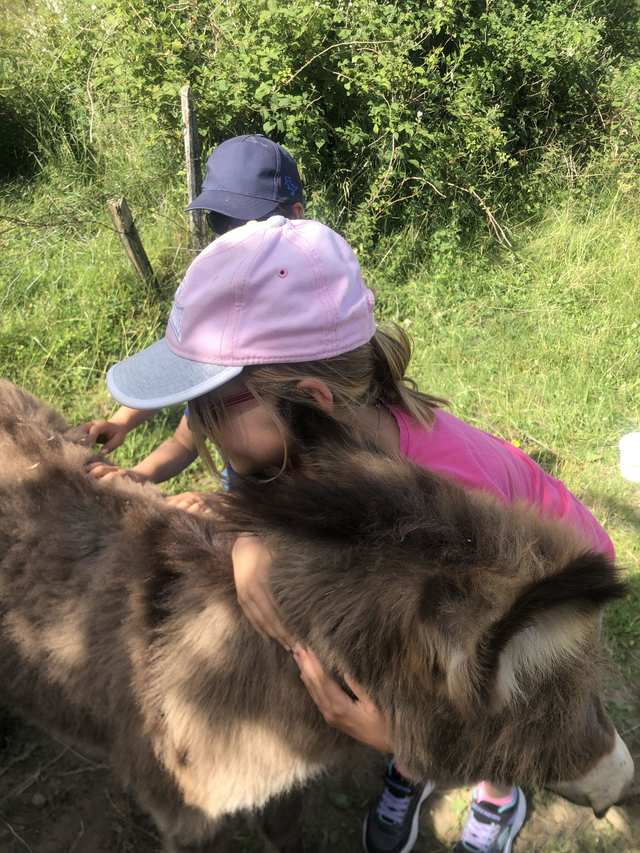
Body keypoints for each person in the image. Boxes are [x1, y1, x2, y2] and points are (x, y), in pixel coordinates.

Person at [104, 217, 615, 853]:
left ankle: (496, 793)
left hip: (539, 609)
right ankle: (413, 763)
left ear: (311, 400)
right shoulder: (303, 444)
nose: (199, 425)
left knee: (487, 698)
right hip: (472, 604)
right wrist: (245, 540)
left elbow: (486, 654)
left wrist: (401, 737)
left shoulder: (446, 500)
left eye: (212, 405)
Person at [81, 134, 304, 510]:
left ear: (296, 215)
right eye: (221, 219)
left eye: (248, 220)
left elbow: (324, 482)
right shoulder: (219, 295)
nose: (233, 235)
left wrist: (227, 508)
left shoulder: (305, 333)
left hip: (289, 525)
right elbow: (186, 439)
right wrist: (128, 442)